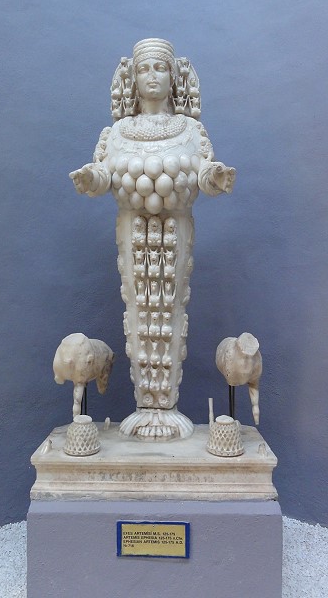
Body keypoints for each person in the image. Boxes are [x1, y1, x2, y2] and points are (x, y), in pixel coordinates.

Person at [70, 39, 235, 440]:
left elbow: (204, 171)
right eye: (144, 69)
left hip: (176, 230)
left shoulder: (190, 130)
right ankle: (146, 407)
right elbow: (103, 173)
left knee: (170, 312)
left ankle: (166, 408)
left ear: (174, 77)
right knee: (140, 312)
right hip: (132, 231)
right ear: (132, 79)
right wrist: (90, 179)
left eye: (160, 68)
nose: (152, 76)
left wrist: (215, 177)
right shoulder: (117, 132)